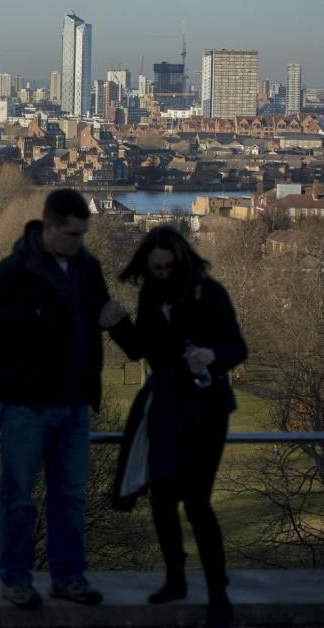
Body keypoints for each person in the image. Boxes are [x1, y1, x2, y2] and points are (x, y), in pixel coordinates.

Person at [0, 188, 127, 610]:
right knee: (18, 495)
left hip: (74, 402)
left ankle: (68, 577)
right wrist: (26, 320)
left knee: (71, 496)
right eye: (72, 234)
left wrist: (114, 322)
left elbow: (96, 313)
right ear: (49, 227)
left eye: (83, 234)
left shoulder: (87, 267)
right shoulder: (19, 268)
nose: (79, 242)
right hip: (26, 403)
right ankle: (15, 580)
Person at [109, 227, 246, 628]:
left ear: (182, 262)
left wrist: (212, 355)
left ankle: (218, 594)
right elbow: (140, 350)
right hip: (167, 407)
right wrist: (116, 324)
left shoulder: (211, 293)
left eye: (168, 267)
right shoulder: (151, 294)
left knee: (198, 502)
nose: (162, 274)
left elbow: (238, 347)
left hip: (206, 409)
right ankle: (176, 579)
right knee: (162, 498)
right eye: (155, 269)